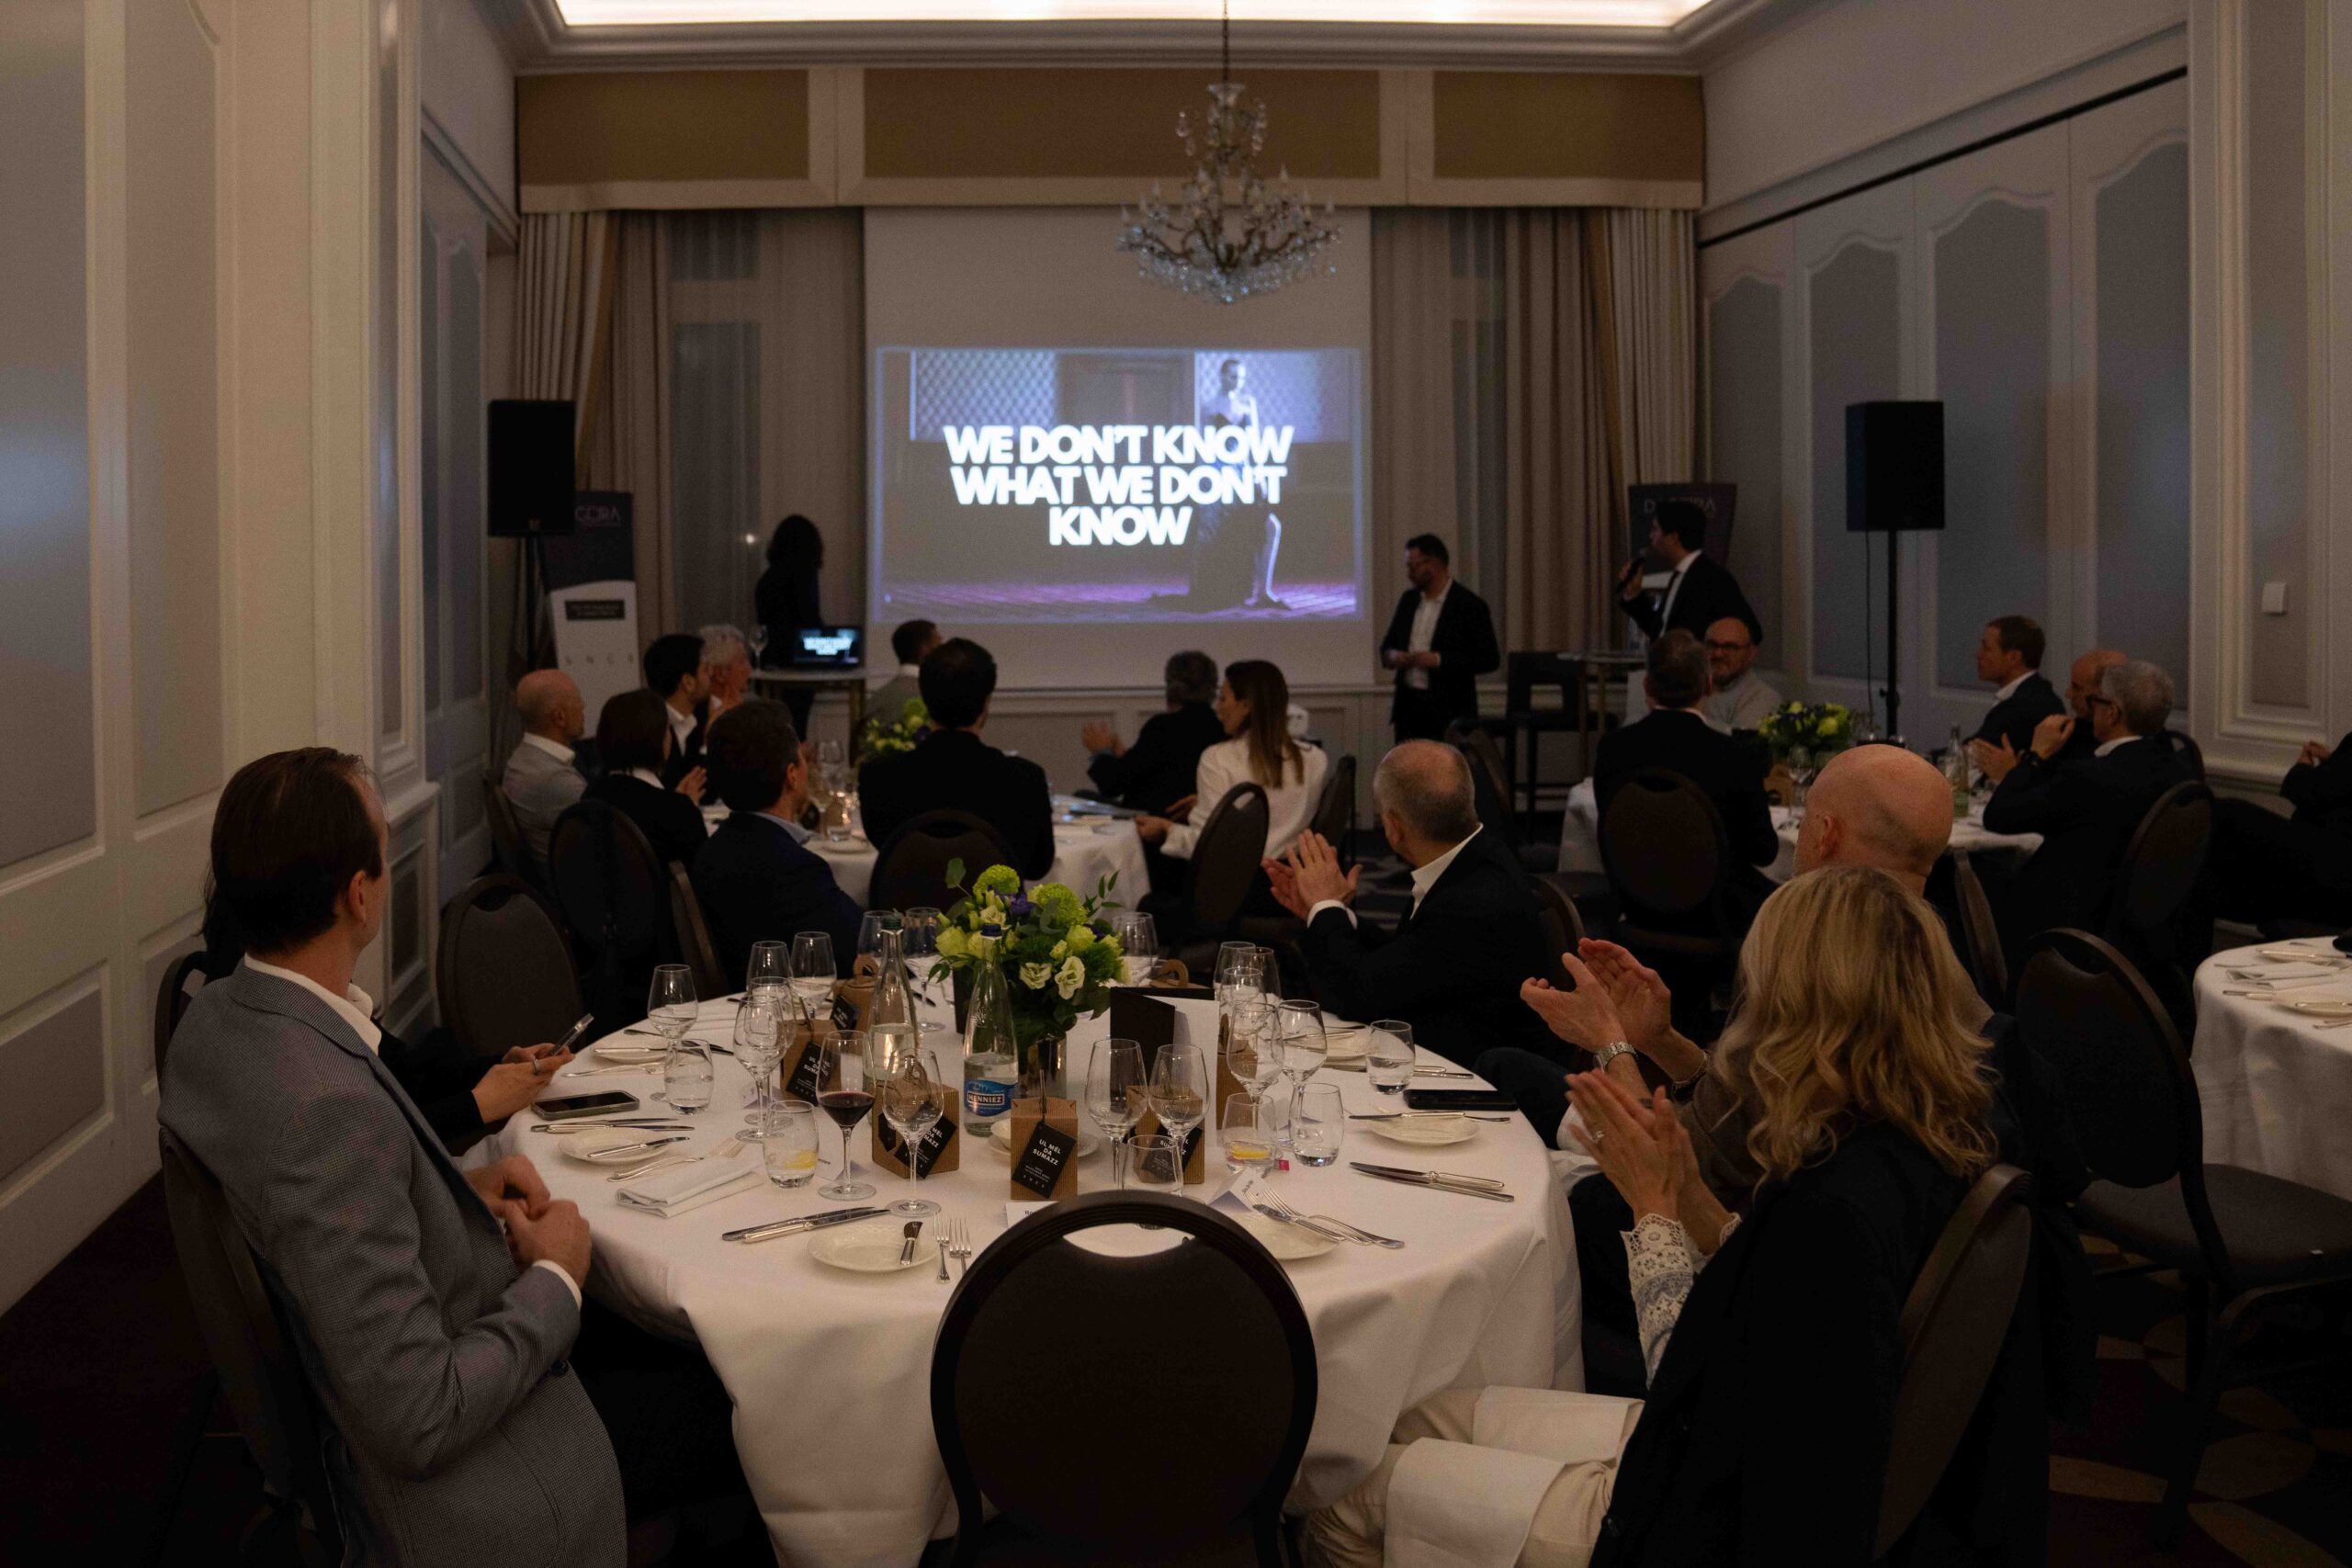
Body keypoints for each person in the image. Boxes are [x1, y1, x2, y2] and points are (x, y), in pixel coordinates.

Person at [1308, 867, 2008, 1567]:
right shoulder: (1920, 1140)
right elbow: (1774, 1313)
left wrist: (1655, 1214)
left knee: (1341, 1497)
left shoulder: (1832, 1216)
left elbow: (1688, 1379)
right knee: (1411, 1417)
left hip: (1695, 1512)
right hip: (1758, 1458)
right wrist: (1688, 1195)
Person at [164, 750, 748, 1567]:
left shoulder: (219, 1014)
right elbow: (419, 1415)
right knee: (733, 1391)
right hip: (471, 1488)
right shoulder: (325, 1113)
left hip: (409, 1341)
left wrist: (449, 1190)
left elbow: (311, 1221)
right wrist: (558, 1279)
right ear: (359, 894)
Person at [1263, 742, 1561, 1069]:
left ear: (1392, 827)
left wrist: (1326, 905)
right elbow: (1409, 954)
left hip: (1470, 1077)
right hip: (1445, 1044)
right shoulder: (1475, 856)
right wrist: (1324, 912)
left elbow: (1356, 996)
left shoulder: (1470, 903)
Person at [1983, 658, 2196, 953]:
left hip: (2065, 925)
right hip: (2149, 929)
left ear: (2111, 713)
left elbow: (1999, 816)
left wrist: (2036, 755)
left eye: (2095, 702)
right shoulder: (2181, 773)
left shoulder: (2089, 777)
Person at [1592, 631, 1779, 897]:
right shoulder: (1735, 756)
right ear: (1708, 686)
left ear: (1647, 686)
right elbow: (1764, 852)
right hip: (1718, 913)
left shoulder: (1614, 748)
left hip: (1638, 902)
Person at [692, 702, 865, 987]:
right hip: (783, 1014)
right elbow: (861, 947)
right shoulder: (793, 870)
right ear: (792, 775)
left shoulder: (711, 852)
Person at [858, 637, 1055, 878]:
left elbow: (891, 855)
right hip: (996, 915)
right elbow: (1037, 867)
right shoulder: (1025, 780)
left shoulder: (879, 778)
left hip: (911, 913)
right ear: (986, 703)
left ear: (925, 700)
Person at [1137, 659, 1328, 865]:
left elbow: (1207, 845)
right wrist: (1218, 807)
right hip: (1295, 881)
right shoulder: (1316, 759)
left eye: (1223, 699)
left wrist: (1167, 829)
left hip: (1236, 890)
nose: (1217, 708)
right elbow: (1280, 811)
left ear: (1246, 705)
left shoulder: (1217, 759)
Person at [2208, 731, 2352, 929]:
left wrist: (2302, 766)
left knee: (2227, 813)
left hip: (2335, 873)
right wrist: (2334, 762)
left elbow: (2302, 788)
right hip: (2330, 865)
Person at [1378, 534, 1501, 743]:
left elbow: (1489, 659)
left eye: (1413, 566)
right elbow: (1387, 646)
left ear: (1433, 564)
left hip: (1449, 710)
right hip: (1408, 707)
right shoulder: (1408, 601)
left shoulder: (1469, 605)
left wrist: (1438, 660)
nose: (1409, 573)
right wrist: (1393, 656)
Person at [1081, 650, 1226, 814]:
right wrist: (1124, 757)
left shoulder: (1163, 727)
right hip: (1192, 825)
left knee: (1080, 796)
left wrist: (1101, 753)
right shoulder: (1221, 728)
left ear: (1170, 686)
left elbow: (1113, 785)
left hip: (1150, 824)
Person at [581, 690, 709, 869]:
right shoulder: (675, 812)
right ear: (660, 739)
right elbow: (703, 874)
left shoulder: (590, 795)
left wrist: (674, 800)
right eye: (667, 729)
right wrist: (683, 808)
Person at [1615, 499, 1760, 645]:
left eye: (1655, 529)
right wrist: (1634, 594)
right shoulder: (1679, 575)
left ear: (1673, 538)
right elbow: (1662, 631)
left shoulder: (1713, 578)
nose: (1650, 536)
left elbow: (1751, 630)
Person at [501, 669, 586, 868]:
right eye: (577, 701)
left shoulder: (523, 756)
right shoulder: (555, 779)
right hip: (577, 888)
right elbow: (613, 835)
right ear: (559, 717)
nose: (583, 706)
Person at [1965, 615, 2067, 758]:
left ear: (2013, 657)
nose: (1978, 655)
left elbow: (1975, 753)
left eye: (1986, 648)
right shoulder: (2037, 692)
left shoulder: (2023, 705)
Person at [641, 632, 707, 791]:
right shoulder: (650, 729)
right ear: (688, 682)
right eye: (705, 669)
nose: (711, 675)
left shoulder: (696, 718)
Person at [1698, 616, 1780, 733]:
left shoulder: (1764, 697)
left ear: (1750, 653)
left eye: (1730, 647)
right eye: (1712, 645)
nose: (1718, 654)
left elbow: (1738, 743)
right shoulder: (1693, 686)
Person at [868, 619, 941, 726]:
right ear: (924, 650)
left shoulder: (876, 699)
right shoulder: (936, 698)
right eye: (939, 647)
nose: (943, 655)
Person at [696, 623, 753, 729]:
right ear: (721, 674)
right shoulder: (701, 717)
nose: (749, 669)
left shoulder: (747, 705)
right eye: (742, 662)